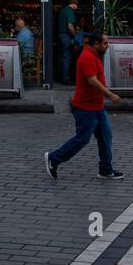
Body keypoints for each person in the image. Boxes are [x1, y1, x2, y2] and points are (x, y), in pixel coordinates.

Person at [44, 30, 123, 181]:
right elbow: (92, 80)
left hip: (97, 107)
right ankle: (54, 158)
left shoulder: (95, 55)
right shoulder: (87, 57)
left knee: (105, 137)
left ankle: (106, 170)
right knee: (82, 139)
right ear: (96, 44)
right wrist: (110, 95)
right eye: (105, 43)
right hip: (85, 108)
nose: (108, 46)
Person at [57, 0, 79, 84]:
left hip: (60, 36)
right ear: (74, 4)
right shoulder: (70, 12)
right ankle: (66, 79)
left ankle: (60, 77)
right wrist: (75, 35)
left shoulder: (62, 10)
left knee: (61, 57)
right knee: (67, 58)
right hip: (66, 37)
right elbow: (70, 26)